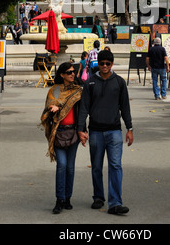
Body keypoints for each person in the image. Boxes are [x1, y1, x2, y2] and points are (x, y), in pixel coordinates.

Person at [77, 50, 133, 215]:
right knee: (96, 167)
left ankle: (115, 202)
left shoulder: (119, 82)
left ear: (112, 64)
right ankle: (98, 197)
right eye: (102, 64)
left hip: (114, 130)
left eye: (108, 64)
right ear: (97, 64)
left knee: (115, 166)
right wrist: (81, 129)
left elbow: (125, 107)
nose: (105, 66)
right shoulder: (90, 83)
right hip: (95, 132)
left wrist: (130, 129)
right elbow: (84, 107)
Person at [40, 62, 83, 214]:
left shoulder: (78, 91)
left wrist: (82, 131)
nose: (72, 74)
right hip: (58, 133)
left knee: (70, 168)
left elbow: (83, 112)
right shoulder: (55, 90)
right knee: (62, 165)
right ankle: (59, 199)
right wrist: (53, 109)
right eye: (69, 72)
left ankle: (67, 198)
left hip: (73, 134)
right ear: (62, 75)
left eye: (73, 72)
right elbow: (49, 107)